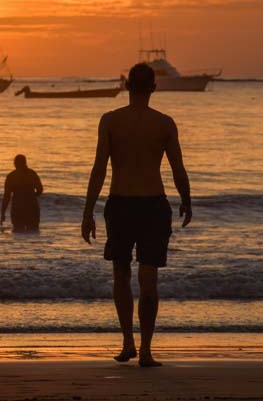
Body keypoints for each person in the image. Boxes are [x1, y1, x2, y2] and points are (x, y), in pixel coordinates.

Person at [81, 63, 192, 367]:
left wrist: (88, 212)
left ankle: (127, 342)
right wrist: (187, 200)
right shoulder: (165, 124)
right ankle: (145, 349)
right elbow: (177, 169)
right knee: (148, 279)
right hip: (153, 205)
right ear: (153, 88)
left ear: (128, 86)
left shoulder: (110, 121)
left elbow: (99, 169)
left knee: (121, 274)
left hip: (120, 203)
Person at [1, 154, 43, 232]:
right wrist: (32, 196)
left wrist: (3, 213)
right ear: (25, 162)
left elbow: (7, 196)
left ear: (15, 164)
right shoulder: (32, 174)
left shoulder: (11, 176)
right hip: (32, 207)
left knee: (18, 232)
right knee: (33, 231)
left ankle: (20, 244)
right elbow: (40, 190)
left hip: (17, 207)